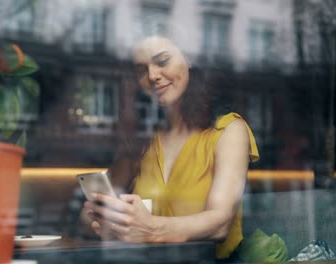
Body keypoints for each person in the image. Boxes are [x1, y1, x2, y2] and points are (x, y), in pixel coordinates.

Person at [81, 36, 259, 260]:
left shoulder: (229, 131)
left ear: (190, 61)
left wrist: (150, 229)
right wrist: (101, 221)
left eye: (163, 61)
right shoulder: (143, 141)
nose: (152, 75)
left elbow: (220, 224)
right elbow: (89, 214)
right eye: (141, 70)